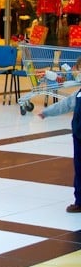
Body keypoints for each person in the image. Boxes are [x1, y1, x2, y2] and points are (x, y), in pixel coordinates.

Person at [38, 80, 81, 213]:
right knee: (79, 168)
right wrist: (47, 112)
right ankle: (79, 201)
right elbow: (65, 105)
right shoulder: (78, 94)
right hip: (79, 136)